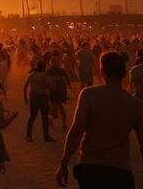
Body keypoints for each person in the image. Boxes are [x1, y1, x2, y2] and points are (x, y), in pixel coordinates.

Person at [57, 52, 143, 189]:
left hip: (91, 167)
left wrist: (63, 163)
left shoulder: (89, 95)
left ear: (102, 71)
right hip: (120, 169)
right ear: (124, 73)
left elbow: (76, 131)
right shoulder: (136, 104)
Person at [23, 60, 55, 142]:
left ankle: (28, 135)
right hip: (43, 97)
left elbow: (25, 86)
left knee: (32, 117)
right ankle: (46, 136)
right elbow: (51, 87)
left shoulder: (31, 75)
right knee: (44, 117)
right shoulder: (45, 76)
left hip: (33, 97)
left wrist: (25, 98)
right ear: (44, 67)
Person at [47, 55, 71, 130]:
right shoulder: (49, 70)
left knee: (60, 106)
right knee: (54, 109)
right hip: (52, 90)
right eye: (54, 62)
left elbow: (67, 78)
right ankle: (51, 119)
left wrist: (69, 84)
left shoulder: (61, 70)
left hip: (60, 90)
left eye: (57, 62)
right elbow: (46, 79)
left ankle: (63, 123)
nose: (56, 63)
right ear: (51, 62)